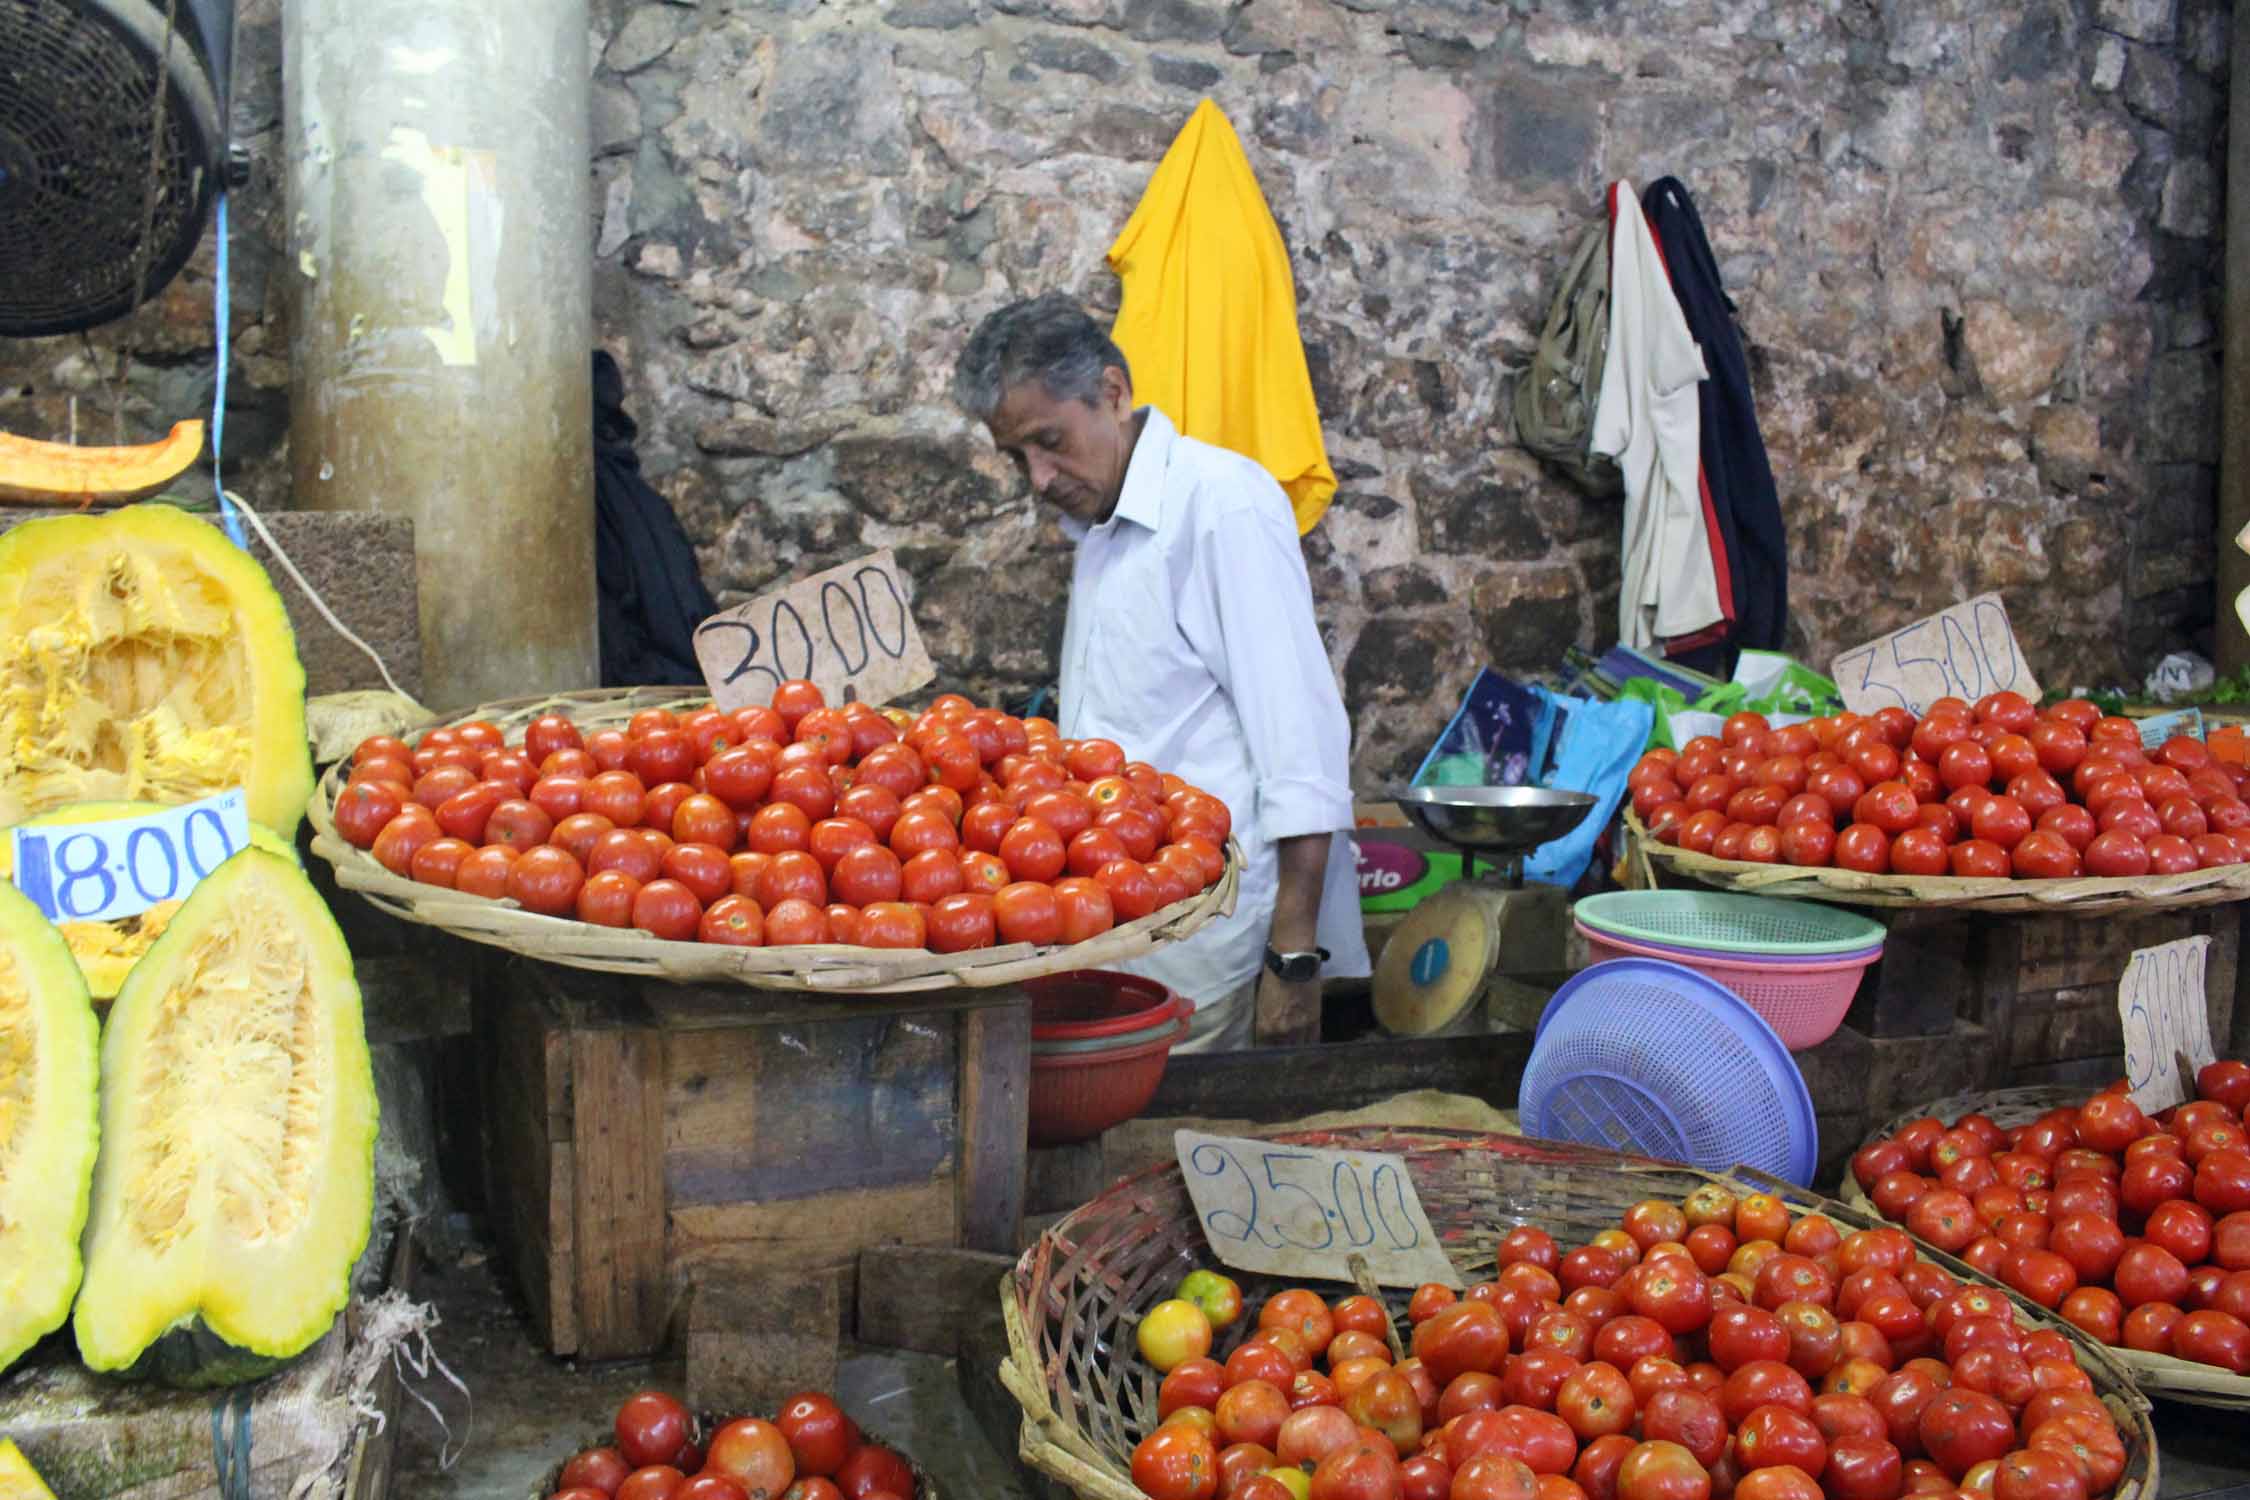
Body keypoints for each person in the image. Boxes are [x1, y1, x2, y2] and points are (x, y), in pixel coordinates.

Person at [952, 293, 1369, 1050]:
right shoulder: (1101, 526)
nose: (1039, 478)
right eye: (1018, 457)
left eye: (1049, 441)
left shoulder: (1220, 505)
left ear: (1113, 392)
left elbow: (1301, 742)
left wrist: (1294, 959)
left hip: (1216, 950)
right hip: (1130, 937)